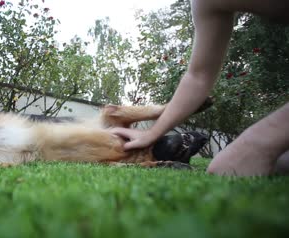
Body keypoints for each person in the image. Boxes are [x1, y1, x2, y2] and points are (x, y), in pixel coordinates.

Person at [111, 0, 289, 176]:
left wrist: (261, 142)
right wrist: (152, 133)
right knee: (245, 165)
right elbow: (198, 76)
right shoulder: (205, 4)